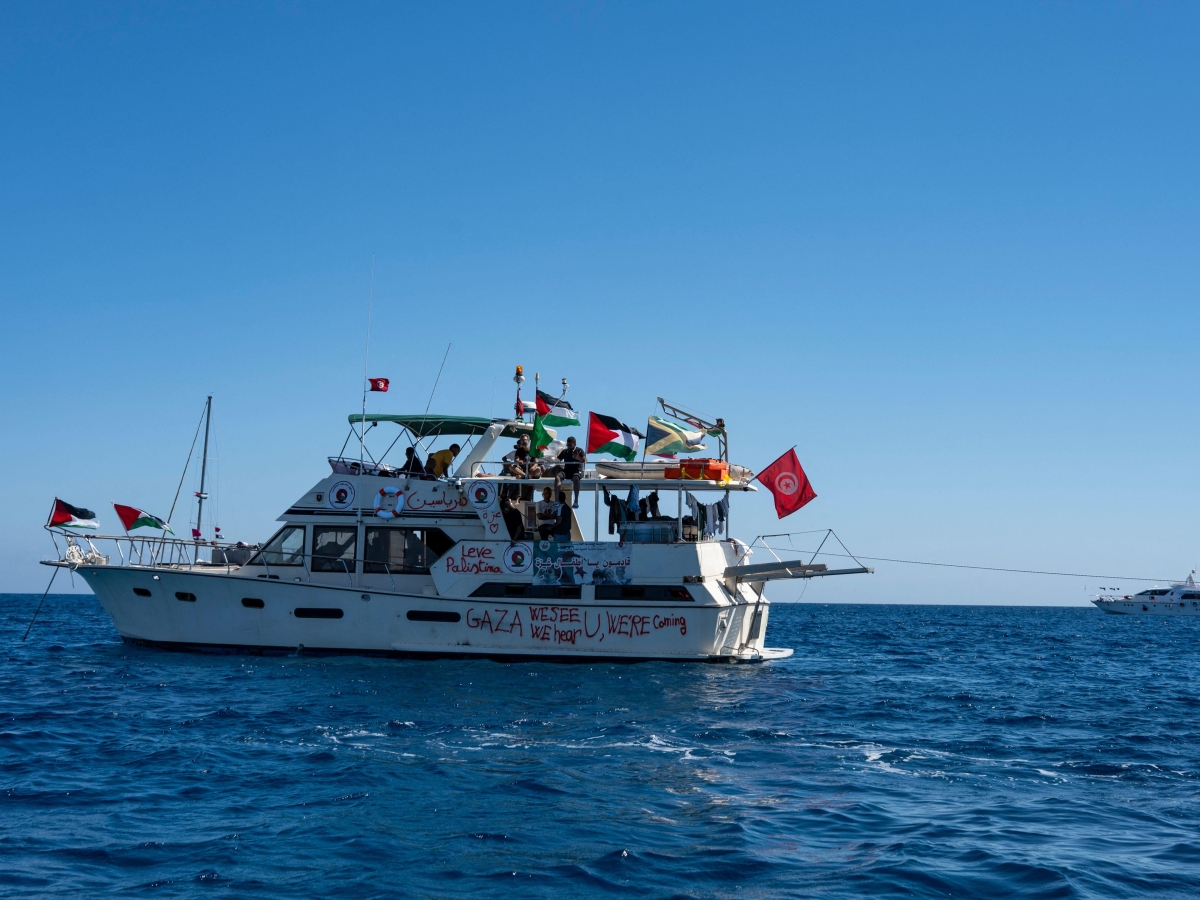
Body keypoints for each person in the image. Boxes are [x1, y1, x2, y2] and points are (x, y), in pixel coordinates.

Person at [553, 436, 586, 508]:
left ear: (574, 444)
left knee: (576, 479)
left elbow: (585, 461)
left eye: (570, 445)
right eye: (567, 445)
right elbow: (557, 460)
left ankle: (576, 501)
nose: (568, 446)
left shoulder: (579, 450)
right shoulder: (565, 451)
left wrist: (578, 458)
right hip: (567, 470)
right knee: (557, 477)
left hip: (576, 470)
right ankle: (556, 500)